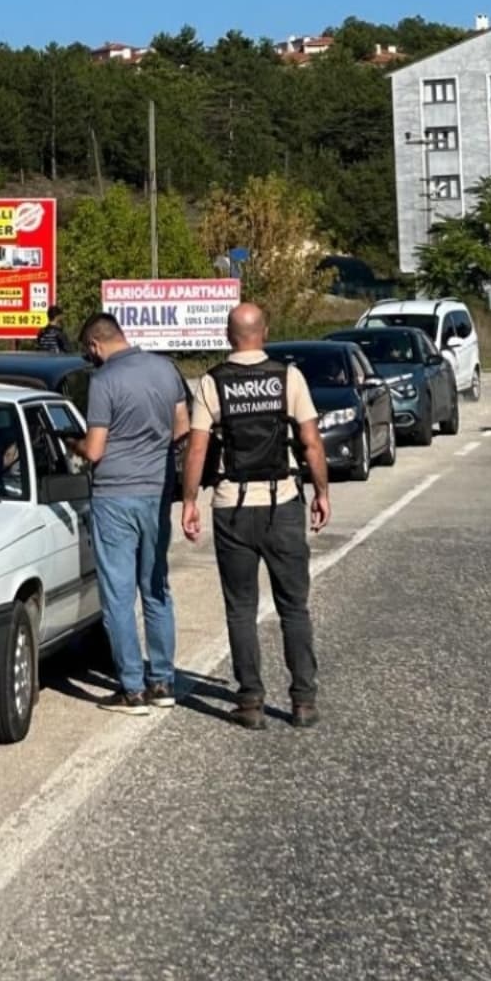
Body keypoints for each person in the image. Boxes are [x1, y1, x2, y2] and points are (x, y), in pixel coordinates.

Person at [181, 302, 330, 730]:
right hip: (282, 502)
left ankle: (250, 701)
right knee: (294, 608)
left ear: (229, 336)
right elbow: (311, 443)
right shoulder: (289, 377)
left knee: (241, 609)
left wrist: (189, 500)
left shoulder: (212, 383)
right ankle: (303, 700)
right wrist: (321, 490)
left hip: (232, 506)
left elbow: (197, 448)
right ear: (264, 331)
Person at [73, 313, 189, 715]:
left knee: (119, 596)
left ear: (94, 346)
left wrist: (73, 444)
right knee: (156, 588)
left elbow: (95, 450)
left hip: (115, 496)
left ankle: (132, 689)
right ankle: (163, 681)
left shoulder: (103, 381)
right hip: (156, 492)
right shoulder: (165, 368)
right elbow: (182, 428)